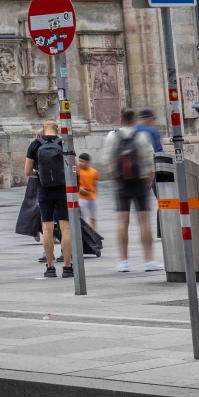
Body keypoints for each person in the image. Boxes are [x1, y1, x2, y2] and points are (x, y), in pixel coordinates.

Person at [104, 108, 158, 273]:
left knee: (122, 222)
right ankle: (149, 261)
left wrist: (116, 180)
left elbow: (108, 161)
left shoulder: (112, 136)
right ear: (134, 120)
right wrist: (148, 181)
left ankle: (123, 262)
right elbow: (150, 159)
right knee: (144, 222)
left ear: (121, 120)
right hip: (140, 182)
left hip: (122, 183)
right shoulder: (141, 136)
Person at [25, 119, 71, 278]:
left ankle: (50, 267)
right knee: (66, 228)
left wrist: (39, 175)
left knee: (47, 228)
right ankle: (67, 266)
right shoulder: (64, 143)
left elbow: (27, 172)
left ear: (43, 130)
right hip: (62, 189)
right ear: (57, 129)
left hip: (44, 189)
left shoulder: (35, 145)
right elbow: (75, 168)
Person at [77, 151, 98, 234]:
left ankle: (94, 233)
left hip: (92, 198)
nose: (80, 163)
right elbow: (75, 183)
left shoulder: (94, 172)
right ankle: (83, 232)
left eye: (82, 161)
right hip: (81, 198)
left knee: (93, 216)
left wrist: (95, 195)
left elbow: (95, 185)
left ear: (88, 162)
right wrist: (80, 189)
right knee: (82, 217)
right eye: (79, 160)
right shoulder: (77, 171)